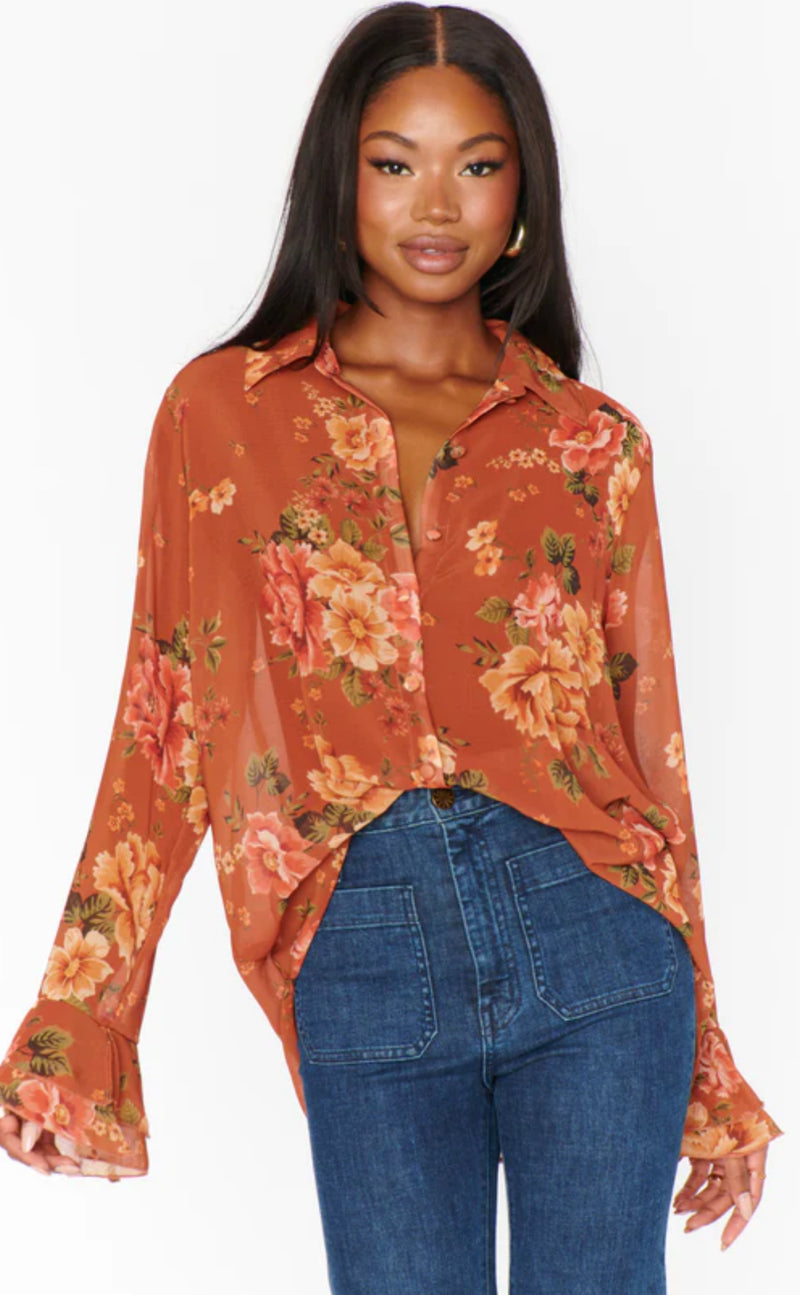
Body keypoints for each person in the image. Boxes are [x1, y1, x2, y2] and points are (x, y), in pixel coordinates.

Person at [0, 3, 783, 1291]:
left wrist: (708, 1057)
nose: (436, 203)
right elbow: (165, 711)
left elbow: (652, 759)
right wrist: (83, 1017)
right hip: (367, 946)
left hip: (596, 943)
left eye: (476, 163)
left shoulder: (593, 442)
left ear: (521, 190)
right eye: (393, 161)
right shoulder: (224, 412)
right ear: (340, 177)